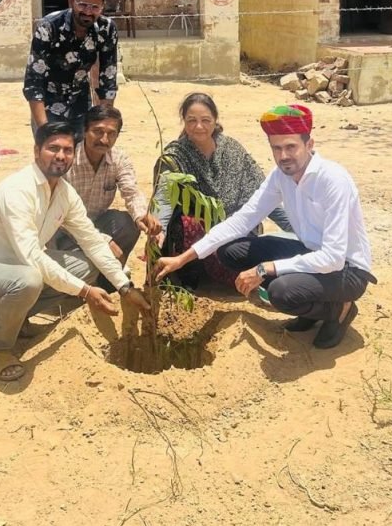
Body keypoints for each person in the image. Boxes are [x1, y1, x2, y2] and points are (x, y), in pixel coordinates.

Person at [154, 104, 375, 349]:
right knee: (231, 251)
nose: (283, 156)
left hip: (347, 270)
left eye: (291, 147)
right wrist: (183, 258)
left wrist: (264, 269)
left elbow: (333, 257)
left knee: (280, 292)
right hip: (311, 253)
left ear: (309, 144)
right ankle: (311, 310)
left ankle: (338, 309)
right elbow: (243, 219)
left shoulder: (333, 180)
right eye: (276, 148)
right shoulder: (280, 176)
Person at [0, 121, 150, 381]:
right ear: (36, 151)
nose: (61, 156)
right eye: (53, 148)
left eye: (67, 150)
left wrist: (124, 286)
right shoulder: (18, 190)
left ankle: (16, 319)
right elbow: (31, 256)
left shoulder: (64, 193)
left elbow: (91, 240)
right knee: (29, 279)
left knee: (86, 266)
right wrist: (85, 291)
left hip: (16, 270)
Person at [153, 92, 292, 288]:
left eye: (205, 120)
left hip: (236, 227)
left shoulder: (232, 150)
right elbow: (164, 198)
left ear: (215, 120)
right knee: (188, 224)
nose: (199, 126)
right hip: (194, 233)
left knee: (246, 255)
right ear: (183, 121)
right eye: (191, 120)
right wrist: (159, 230)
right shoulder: (175, 156)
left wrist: (295, 228)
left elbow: (263, 195)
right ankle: (190, 275)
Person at [55, 105, 161, 277]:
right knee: (83, 264)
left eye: (111, 134)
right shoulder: (67, 161)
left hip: (96, 223)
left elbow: (131, 192)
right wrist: (103, 242)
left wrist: (142, 215)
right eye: (98, 131)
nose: (104, 140)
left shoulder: (118, 158)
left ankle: (107, 279)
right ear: (84, 130)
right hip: (63, 232)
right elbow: (64, 218)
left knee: (128, 223)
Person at [23, 0, 118, 136]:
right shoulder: (49, 27)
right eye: (82, 5)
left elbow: (108, 80)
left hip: (81, 105)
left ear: (102, 6)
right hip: (48, 105)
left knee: (83, 151)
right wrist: (44, 130)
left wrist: (103, 124)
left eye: (95, 7)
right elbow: (33, 83)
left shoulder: (106, 29)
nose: (88, 12)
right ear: (71, 1)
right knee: (54, 150)